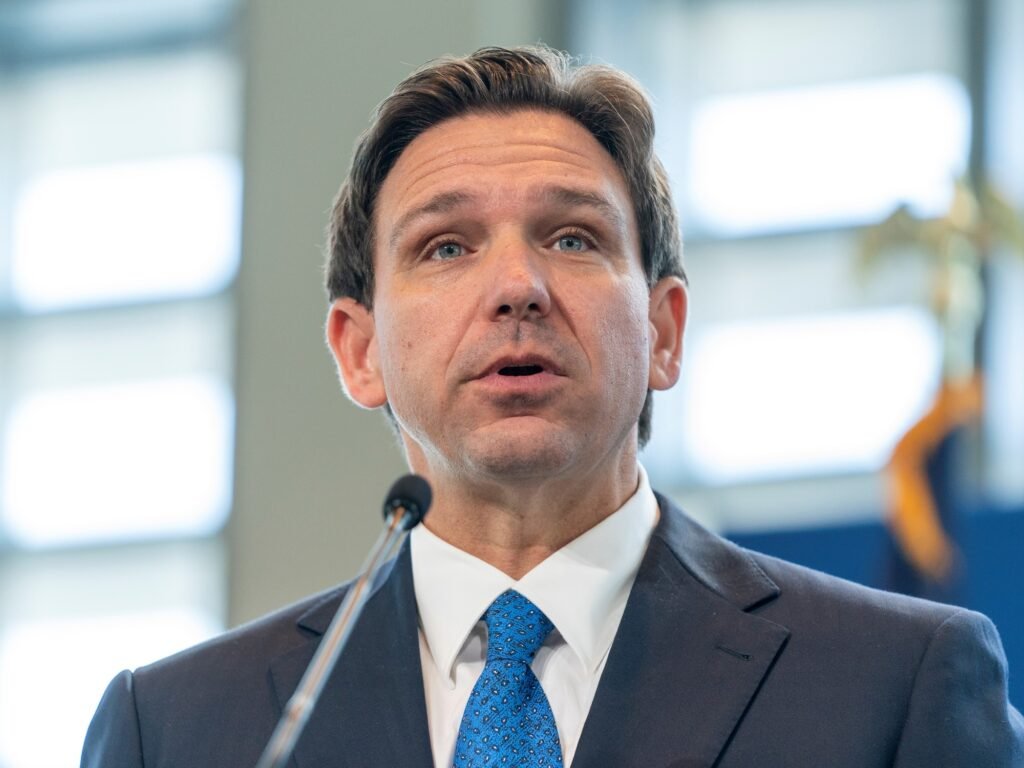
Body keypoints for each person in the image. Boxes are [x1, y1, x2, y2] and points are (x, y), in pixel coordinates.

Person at [82, 45, 1023, 768]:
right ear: (359, 352)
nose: (517, 288)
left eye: (572, 238)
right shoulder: (178, 728)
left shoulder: (891, 683)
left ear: (663, 331)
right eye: (446, 247)